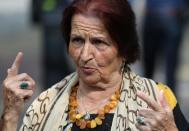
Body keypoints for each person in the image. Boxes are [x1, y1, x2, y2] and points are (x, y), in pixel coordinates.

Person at [0, 0, 189, 131]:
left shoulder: (157, 102)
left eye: (99, 42)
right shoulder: (45, 104)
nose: (84, 55)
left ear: (123, 48)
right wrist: (9, 115)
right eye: (77, 40)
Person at [142, 0, 187, 93]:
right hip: (161, 15)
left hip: (166, 15)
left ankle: (147, 96)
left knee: (157, 65)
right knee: (165, 64)